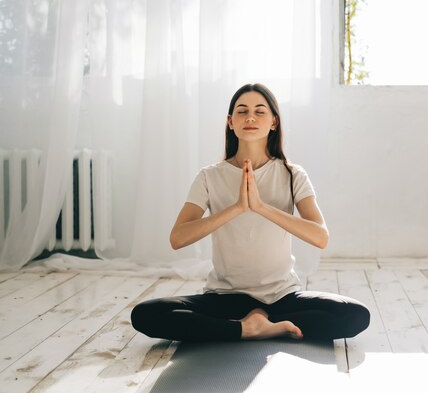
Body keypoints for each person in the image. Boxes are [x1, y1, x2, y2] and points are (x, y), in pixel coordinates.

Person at [131, 83, 370, 342]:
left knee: (355, 315)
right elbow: (178, 238)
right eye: (242, 111)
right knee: (145, 314)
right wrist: (237, 208)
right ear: (230, 122)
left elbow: (320, 237)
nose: (251, 117)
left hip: (281, 297)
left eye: (259, 111)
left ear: (274, 122)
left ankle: (245, 326)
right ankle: (250, 328)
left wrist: (261, 207)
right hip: (225, 298)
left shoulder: (293, 175)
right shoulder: (209, 176)